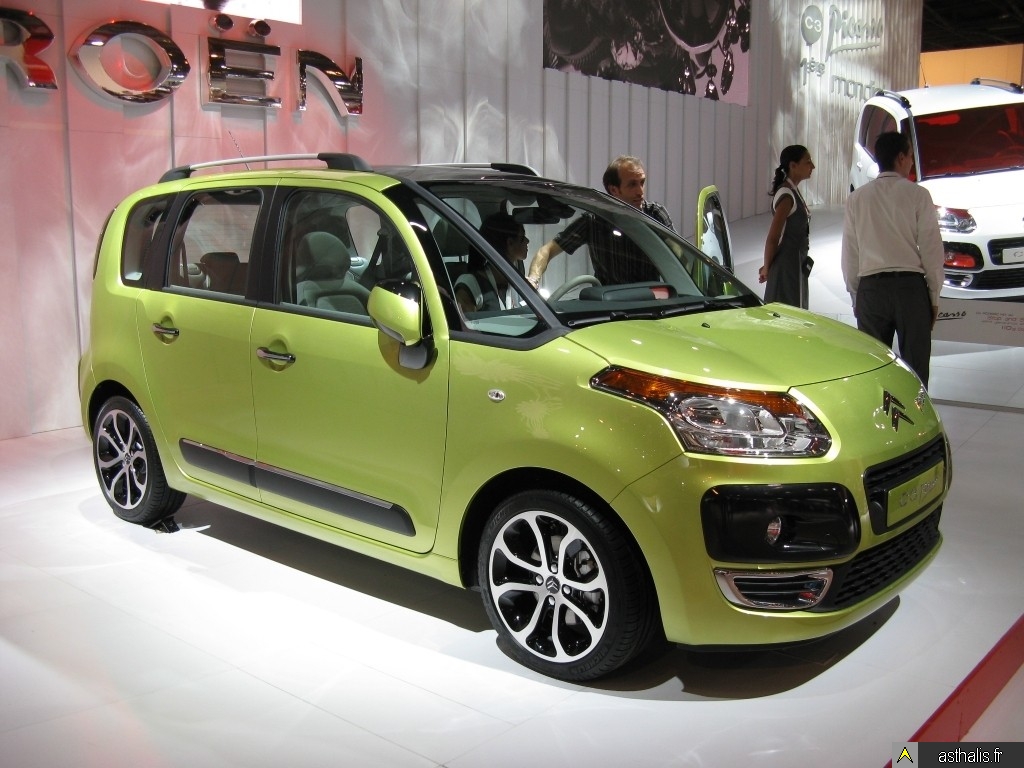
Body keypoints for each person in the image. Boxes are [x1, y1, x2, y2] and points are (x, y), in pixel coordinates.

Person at [841, 131, 945, 386]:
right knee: (916, 367)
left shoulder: (857, 198)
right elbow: (931, 249)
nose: (911, 162)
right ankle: (916, 411)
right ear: (900, 158)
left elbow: (850, 253)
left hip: (871, 289)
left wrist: (855, 295)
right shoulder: (918, 195)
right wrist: (933, 296)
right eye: (910, 156)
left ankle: (878, 410)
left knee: (874, 368)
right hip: (910, 290)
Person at [526, 155, 675, 287]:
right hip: (610, 305)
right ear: (614, 190)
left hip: (651, 302)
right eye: (632, 185)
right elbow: (547, 250)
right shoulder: (594, 221)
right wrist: (533, 279)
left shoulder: (656, 214)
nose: (640, 191)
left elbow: (679, 255)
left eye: (642, 182)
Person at [759, 144, 815, 308]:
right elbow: (773, 237)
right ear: (793, 165)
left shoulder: (792, 191)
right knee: (788, 314)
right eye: (808, 162)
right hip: (787, 268)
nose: (812, 166)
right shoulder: (786, 195)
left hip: (794, 265)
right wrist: (767, 267)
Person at [454, 212, 529, 313]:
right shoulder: (471, 284)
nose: (527, 241)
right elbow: (462, 322)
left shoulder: (517, 283)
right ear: (510, 243)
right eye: (522, 238)